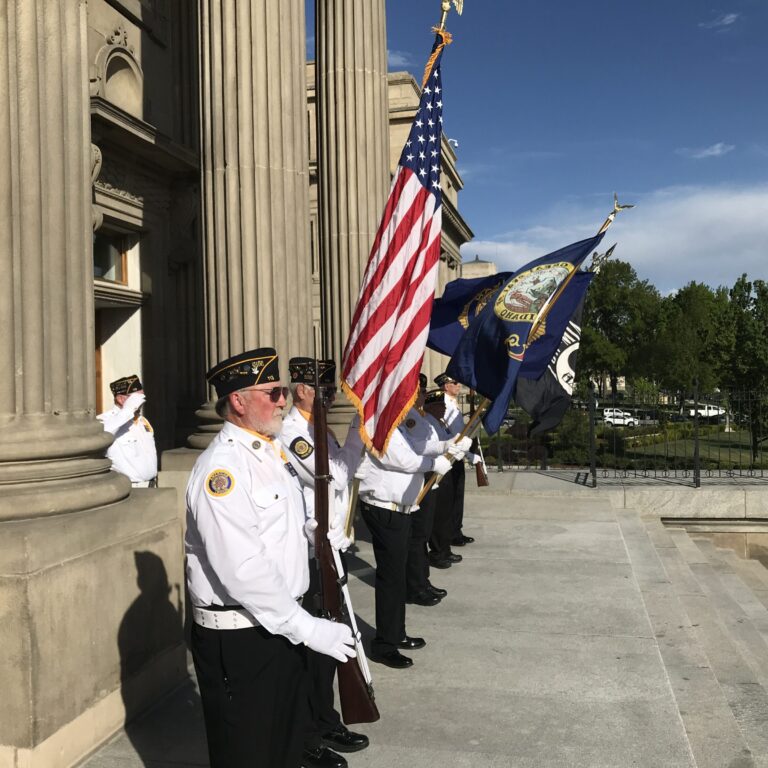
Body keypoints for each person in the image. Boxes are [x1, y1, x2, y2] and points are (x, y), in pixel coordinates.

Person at [185, 348, 356, 768]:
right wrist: (305, 627)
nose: (283, 400)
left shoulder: (269, 451)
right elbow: (242, 569)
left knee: (282, 745)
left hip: (277, 626)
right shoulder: (221, 471)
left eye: (281, 391)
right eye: (272, 392)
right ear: (239, 402)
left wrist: (312, 533)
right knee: (249, 750)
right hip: (244, 637)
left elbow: (273, 528)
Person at [280, 357, 369, 764]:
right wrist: (344, 455)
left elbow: (345, 468)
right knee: (317, 645)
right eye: (324, 389)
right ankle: (314, 726)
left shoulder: (322, 430)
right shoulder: (293, 431)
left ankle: (325, 717)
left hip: (333, 548)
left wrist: (356, 432)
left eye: (332, 390)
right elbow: (327, 473)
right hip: (313, 554)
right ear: (301, 389)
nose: (331, 396)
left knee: (334, 638)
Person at [357, 407, 452, 669]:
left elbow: (417, 446)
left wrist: (447, 444)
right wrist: (435, 464)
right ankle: (384, 644)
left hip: (400, 510)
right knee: (391, 578)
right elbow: (399, 459)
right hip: (384, 510)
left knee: (397, 578)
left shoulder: (393, 423)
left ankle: (396, 633)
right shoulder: (375, 423)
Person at [402, 374, 471, 605]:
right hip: (422, 476)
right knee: (419, 535)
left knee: (424, 532)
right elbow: (416, 449)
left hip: (432, 473)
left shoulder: (420, 416)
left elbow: (432, 443)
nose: (422, 394)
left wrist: (450, 446)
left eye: (422, 391)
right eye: (420, 391)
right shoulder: (410, 417)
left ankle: (423, 581)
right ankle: (416, 586)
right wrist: (439, 456)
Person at [434, 372, 482, 550]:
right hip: (448, 458)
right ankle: (447, 534)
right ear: (446, 386)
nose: (459, 385)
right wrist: (467, 454)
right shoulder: (442, 407)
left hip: (458, 457)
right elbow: (449, 436)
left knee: (457, 497)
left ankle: (456, 531)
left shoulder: (453, 405)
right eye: (455, 382)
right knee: (448, 500)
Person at [97, 374, 157, 487]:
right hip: (129, 488)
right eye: (136, 398)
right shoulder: (106, 420)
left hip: (151, 485)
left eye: (142, 397)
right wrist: (128, 410)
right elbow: (101, 436)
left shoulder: (142, 421)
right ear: (120, 399)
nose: (141, 401)